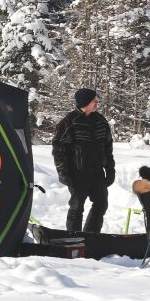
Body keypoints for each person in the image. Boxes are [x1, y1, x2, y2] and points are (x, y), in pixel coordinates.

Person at [52, 88, 114, 235]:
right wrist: (63, 172)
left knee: (101, 204)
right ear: (85, 103)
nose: (97, 103)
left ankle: (91, 236)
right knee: (77, 207)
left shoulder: (101, 121)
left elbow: (108, 148)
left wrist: (110, 170)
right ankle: (74, 238)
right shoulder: (69, 122)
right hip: (77, 174)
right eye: (94, 100)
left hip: (97, 173)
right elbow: (58, 150)